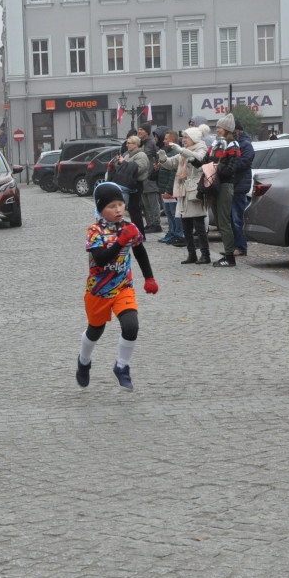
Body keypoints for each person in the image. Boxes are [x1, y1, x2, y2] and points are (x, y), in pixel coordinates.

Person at [75, 181, 158, 392]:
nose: (118, 209)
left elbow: (139, 251)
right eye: (112, 206)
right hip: (98, 291)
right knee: (95, 330)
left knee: (131, 326)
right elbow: (101, 259)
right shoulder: (94, 231)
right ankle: (84, 361)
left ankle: (122, 367)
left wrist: (149, 277)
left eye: (121, 204)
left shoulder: (130, 228)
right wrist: (120, 242)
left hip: (123, 287)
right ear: (101, 208)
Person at [165, 124, 212, 264]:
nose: (183, 139)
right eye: (183, 137)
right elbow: (172, 163)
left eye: (186, 137)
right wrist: (163, 159)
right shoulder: (183, 151)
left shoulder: (201, 147)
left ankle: (205, 254)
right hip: (182, 190)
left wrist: (182, 150)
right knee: (186, 226)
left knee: (198, 225)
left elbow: (198, 158)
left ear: (193, 138)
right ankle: (191, 254)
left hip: (195, 190)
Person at [206, 114, 242, 267]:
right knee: (220, 223)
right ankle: (227, 253)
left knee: (224, 222)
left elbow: (230, 169)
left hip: (225, 186)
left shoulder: (233, 145)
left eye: (219, 127)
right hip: (216, 185)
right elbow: (205, 160)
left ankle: (229, 257)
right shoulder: (217, 144)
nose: (217, 129)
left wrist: (215, 166)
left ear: (227, 129)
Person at [114, 135, 151, 238]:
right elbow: (121, 168)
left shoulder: (141, 155)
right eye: (127, 143)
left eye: (129, 143)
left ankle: (140, 234)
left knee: (135, 209)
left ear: (136, 144)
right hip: (127, 184)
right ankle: (135, 233)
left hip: (136, 184)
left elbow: (138, 169)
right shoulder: (128, 155)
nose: (127, 145)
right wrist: (118, 162)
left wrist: (124, 163)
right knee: (131, 209)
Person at [156, 129, 185, 246]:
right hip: (165, 188)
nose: (164, 141)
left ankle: (178, 233)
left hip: (171, 189)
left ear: (172, 140)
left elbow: (173, 175)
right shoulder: (168, 152)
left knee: (174, 213)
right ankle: (172, 232)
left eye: (166, 139)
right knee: (168, 212)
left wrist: (168, 190)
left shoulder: (174, 154)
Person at [232, 120, 255, 257]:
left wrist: (230, 163)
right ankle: (236, 245)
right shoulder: (235, 143)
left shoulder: (245, 145)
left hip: (239, 185)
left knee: (237, 218)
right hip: (234, 184)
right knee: (232, 218)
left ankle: (241, 247)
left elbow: (244, 162)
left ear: (237, 130)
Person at [138, 123, 162, 233]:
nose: (139, 131)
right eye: (139, 129)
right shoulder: (140, 143)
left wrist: (155, 170)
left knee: (153, 202)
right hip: (142, 178)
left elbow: (159, 158)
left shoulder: (152, 143)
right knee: (145, 204)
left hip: (151, 178)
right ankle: (149, 223)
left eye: (141, 129)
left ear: (147, 131)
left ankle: (156, 224)